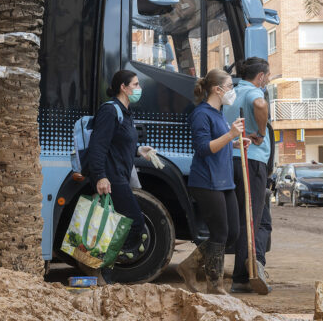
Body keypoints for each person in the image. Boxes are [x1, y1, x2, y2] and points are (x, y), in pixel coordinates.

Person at [177, 68, 244, 295]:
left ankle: (189, 265)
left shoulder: (218, 113)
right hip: (206, 181)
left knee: (232, 233)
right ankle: (215, 284)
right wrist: (230, 135)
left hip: (224, 181)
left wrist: (234, 143)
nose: (232, 91)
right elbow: (204, 148)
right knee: (219, 233)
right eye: (230, 86)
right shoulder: (201, 114)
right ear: (217, 89)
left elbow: (218, 142)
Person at [85, 70, 159, 273]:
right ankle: (98, 264)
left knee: (112, 224)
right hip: (111, 177)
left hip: (120, 176)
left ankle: (101, 270)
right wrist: (100, 176)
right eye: (135, 85)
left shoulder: (125, 112)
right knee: (135, 223)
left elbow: (118, 144)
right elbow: (98, 146)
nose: (139, 88)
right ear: (123, 88)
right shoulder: (110, 111)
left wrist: (138, 151)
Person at [223, 57, 271, 295]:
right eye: (267, 76)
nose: (268, 80)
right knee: (250, 219)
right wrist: (261, 132)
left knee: (246, 218)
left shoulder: (232, 93)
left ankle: (251, 266)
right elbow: (260, 104)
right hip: (251, 160)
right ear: (260, 76)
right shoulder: (253, 92)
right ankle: (242, 278)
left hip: (230, 158)